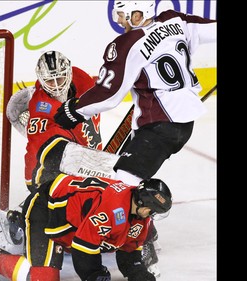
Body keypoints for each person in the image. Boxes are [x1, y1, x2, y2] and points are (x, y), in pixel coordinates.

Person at [53, 0, 216, 276]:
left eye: (123, 15)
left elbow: (109, 94)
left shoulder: (129, 43)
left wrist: (73, 110)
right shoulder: (174, 20)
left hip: (159, 127)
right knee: (124, 178)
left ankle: (133, 243)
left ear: (138, 13)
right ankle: (132, 237)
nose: (120, 21)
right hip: (183, 125)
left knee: (121, 188)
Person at [0, 176, 172, 281]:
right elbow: (83, 248)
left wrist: (139, 274)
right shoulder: (113, 210)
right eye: (153, 209)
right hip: (46, 210)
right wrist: (95, 275)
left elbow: (129, 254)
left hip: (73, 222)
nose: (153, 215)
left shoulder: (140, 216)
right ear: (144, 203)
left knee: (104, 241)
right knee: (44, 279)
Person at [6, 50, 104, 193]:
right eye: (49, 80)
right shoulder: (41, 108)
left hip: (91, 158)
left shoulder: (81, 79)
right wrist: (34, 185)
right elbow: (34, 150)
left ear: (68, 73)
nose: (56, 85)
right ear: (41, 79)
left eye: (59, 78)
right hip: (64, 167)